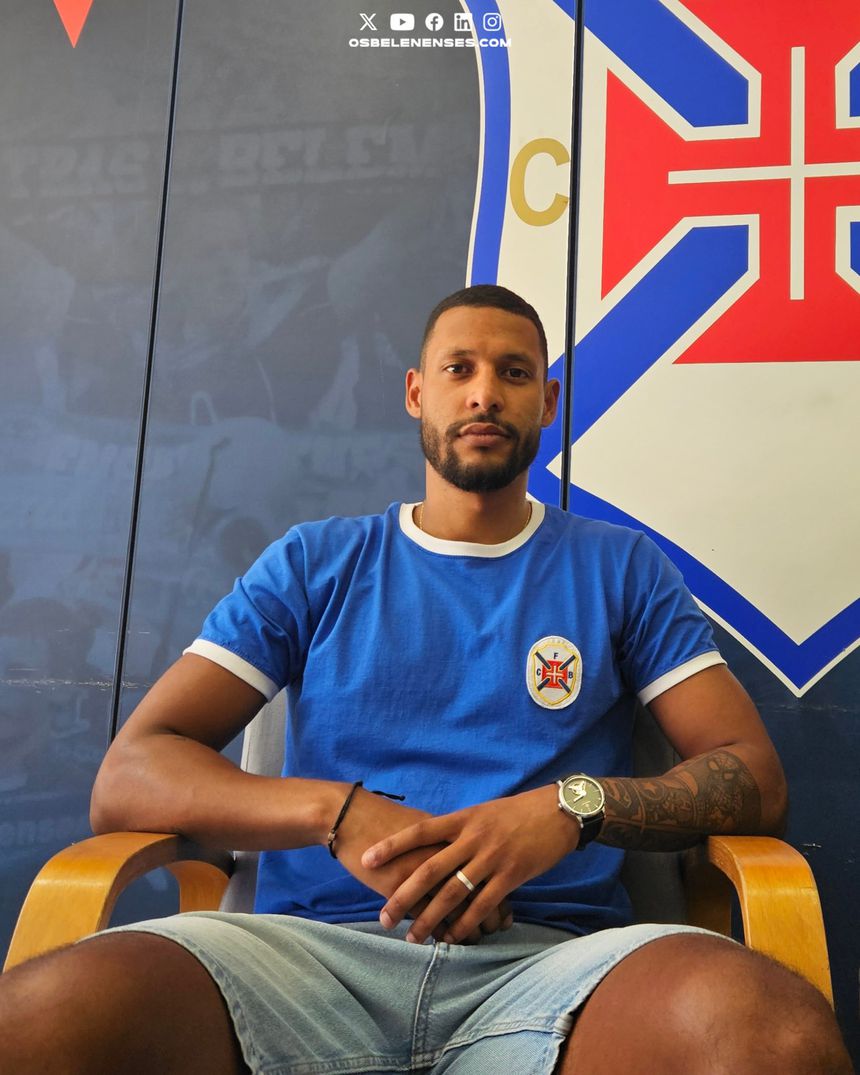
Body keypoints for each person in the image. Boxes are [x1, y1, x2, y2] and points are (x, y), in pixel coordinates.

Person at [0, 286, 851, 1074]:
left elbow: (755, 778)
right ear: (417, 393)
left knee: (775, 1040)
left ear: (548, 403)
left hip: (555, 966)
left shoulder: (620, 568)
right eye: (459, 369)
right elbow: (131, 773)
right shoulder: (315, 562)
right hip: (304, 959)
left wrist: (571, 808)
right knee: (35, 1019)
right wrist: (335, 811)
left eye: (514, 373)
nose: (484, 394)